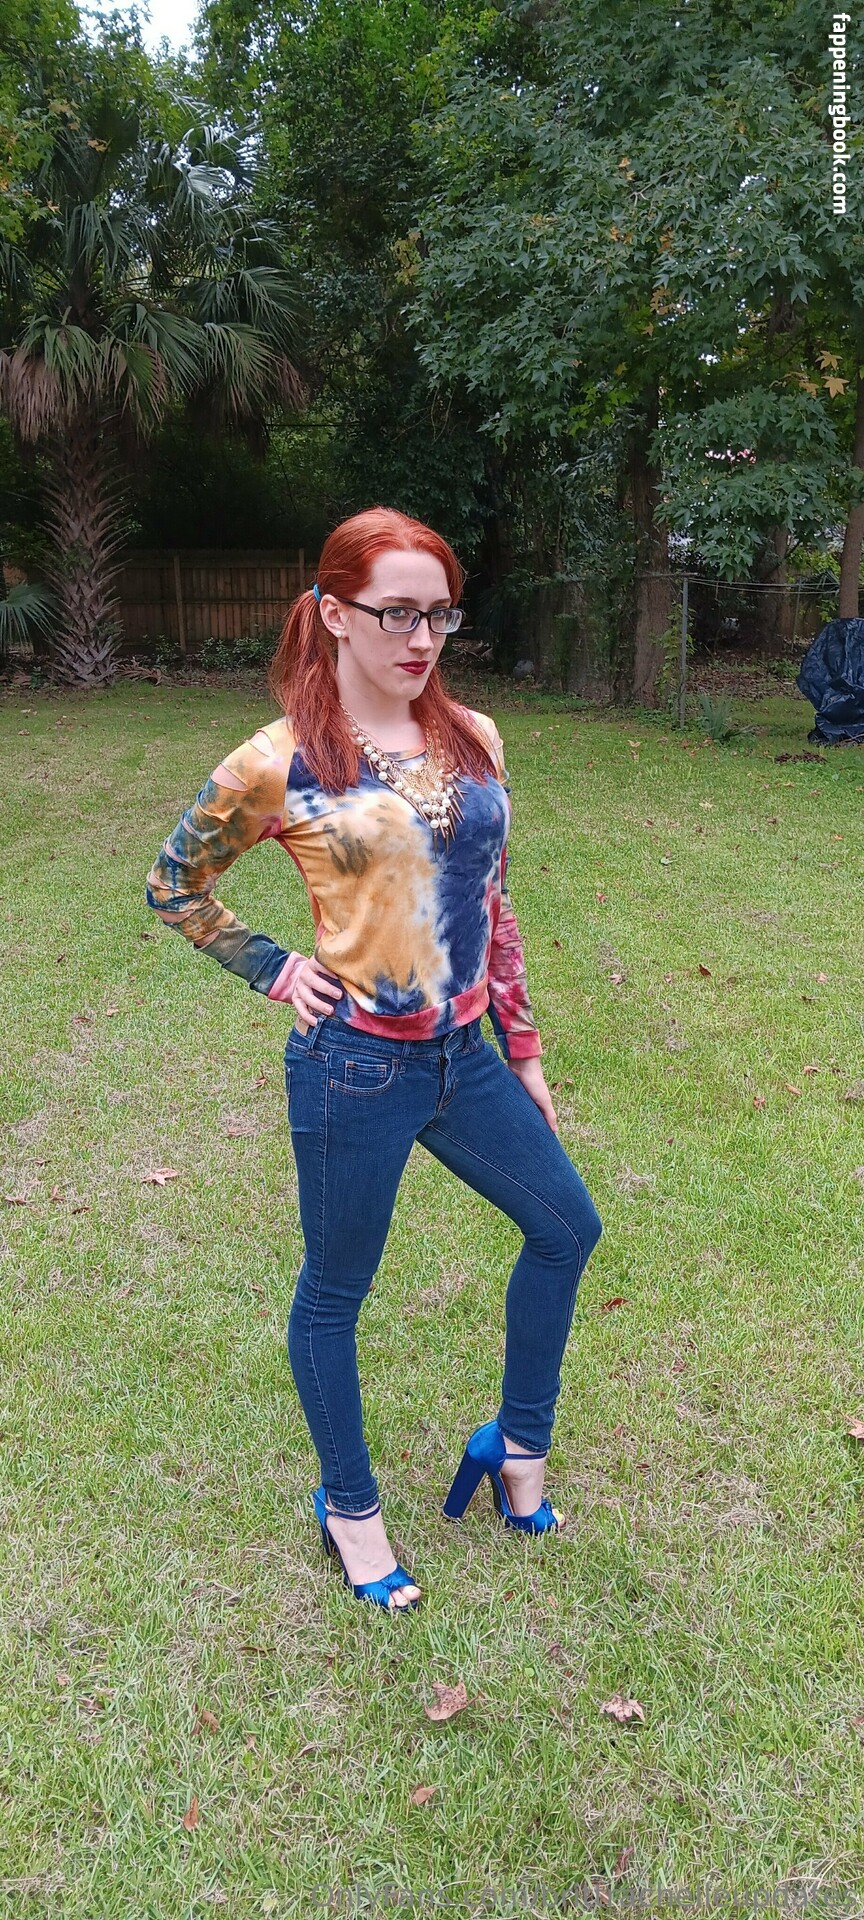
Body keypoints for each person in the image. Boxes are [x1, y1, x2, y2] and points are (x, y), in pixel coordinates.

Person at [145, 506, 602, 1612]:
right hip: (354, 1066)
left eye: (439, 613)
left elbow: (493, 906)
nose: (422, 637)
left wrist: (523, 1048)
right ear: (334, 614)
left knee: (566, 1227)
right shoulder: (281, 762)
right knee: (336, 1293)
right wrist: (270, 966)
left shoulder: (475, 737)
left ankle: (516, 1446)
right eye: (396, 612)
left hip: (465, 1060)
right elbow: (174, 884)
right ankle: (349, 1507)